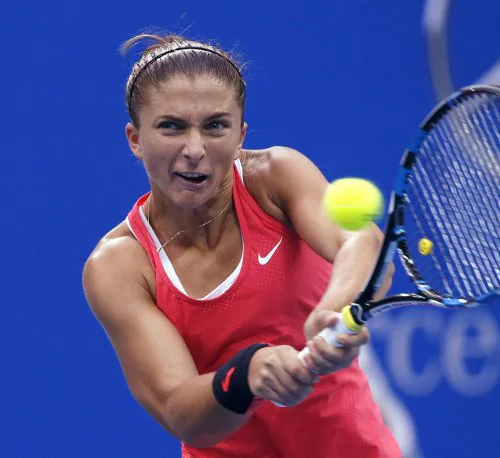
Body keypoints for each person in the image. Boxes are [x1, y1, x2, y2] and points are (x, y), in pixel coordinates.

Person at [82, 32, 401, 457]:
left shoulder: (275, 179)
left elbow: (363, 244)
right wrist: (247, 374)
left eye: (215, 126)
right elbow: (182, 413)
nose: (194, 149)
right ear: (135, 139)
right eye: (171, 126)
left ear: (240, 135)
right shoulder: (119, 266)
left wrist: (332, 311)